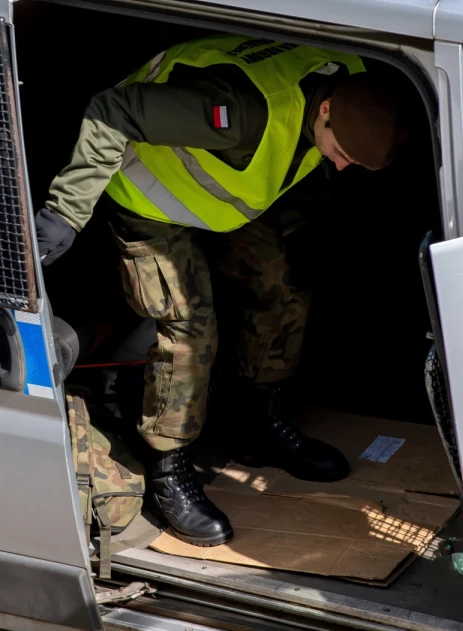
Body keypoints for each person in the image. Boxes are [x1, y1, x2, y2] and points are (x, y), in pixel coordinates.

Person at [33, 35, 409, 546]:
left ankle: (261, 424)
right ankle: (169, 468)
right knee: (190, 327)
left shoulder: (347, 74)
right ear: (325, 109)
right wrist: (66, 212)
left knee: (285, 282)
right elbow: (113, 109)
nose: (340, 166)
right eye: (340, 152)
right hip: (149, 196)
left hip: (224, 197)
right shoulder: (240, 112)